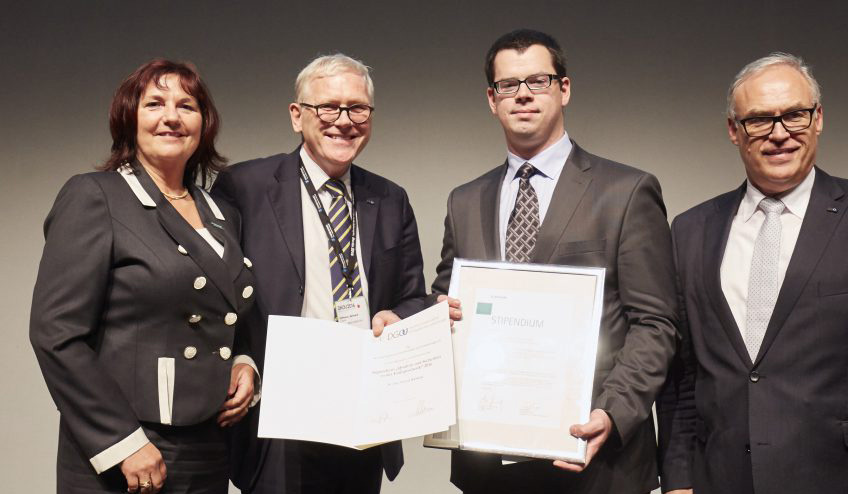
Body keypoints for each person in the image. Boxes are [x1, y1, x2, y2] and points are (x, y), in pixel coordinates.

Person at [657, 53, 848, 494]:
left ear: (818, 119)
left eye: (794, 116)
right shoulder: (690, 231)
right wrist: (680, 480)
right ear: (733, 131)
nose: (779, 133)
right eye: (759, 120)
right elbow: (683, 379)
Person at [430, 29, 680, 494]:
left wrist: (612, 411)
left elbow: (656, 323)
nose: (523, 94)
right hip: (489, 463)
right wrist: (434, 317)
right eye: (508, 85)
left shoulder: (626, 192)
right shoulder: (464, 201)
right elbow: (447, 300)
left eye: (538, 80)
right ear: (492, 99)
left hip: (595, 458)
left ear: (563, 89)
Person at [212, 53, 457, 494]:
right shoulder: (244, 187)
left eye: (357, 108)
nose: (344, 121)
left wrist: (398, 318)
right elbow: (218, 296)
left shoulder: (390, 198)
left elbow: (412, 295)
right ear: (297, 115)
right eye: (328, 107)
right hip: (278, 418)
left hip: (362, 415)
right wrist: (242, 359)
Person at [30, 59, 258, 494]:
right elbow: (55, 333)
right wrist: (121, 441)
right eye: (155, 103)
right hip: (131, 450)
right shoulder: (96, 196)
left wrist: (245, 363)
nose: (171, 116)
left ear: (203, 124)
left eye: (186, 106)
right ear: (128, 118)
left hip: (208, 444)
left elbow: (229, 311)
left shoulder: (219, 211)